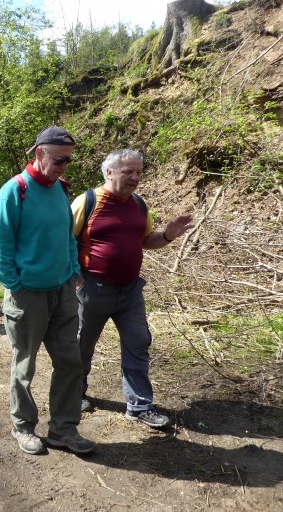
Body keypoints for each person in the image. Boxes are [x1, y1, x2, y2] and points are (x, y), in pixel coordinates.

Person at [0, 126, 95, 456]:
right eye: (59, 160)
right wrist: (15, 284)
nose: (64, 166)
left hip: (62, 291)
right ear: (39, 154)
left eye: (68, 161)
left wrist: (73, 272)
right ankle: (23, 426)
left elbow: (66, 234)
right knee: (25, 365)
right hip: (27, 296)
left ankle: (63, 429)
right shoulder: (14, 191)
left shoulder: (60, 190)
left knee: (70, 361)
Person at [72, 149, 193, 427]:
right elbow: (64, 240)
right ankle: (74, 394)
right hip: (93, 289)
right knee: (81, 345)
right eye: (129, 172)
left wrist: (167, 236)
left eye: (139, 172)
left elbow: (145, 240)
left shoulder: (138, 203)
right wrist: (77, 277)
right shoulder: (88, 201)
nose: (135, 178)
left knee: (138, 344)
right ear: (109, 172)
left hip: (130, 292)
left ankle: (139, 406)